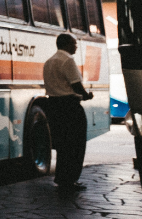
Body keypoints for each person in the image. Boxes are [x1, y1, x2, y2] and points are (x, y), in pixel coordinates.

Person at [43, 34, 93, 191]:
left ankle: (61, 178)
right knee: (76, 144)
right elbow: (76, 84)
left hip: (54, 105)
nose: (76, 46)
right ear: (66, 44)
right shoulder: (67, 60)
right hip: (70, 106)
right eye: (74, 43)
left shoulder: (49, 62)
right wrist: (86, 96)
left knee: (63, 145)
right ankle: (70, 180)